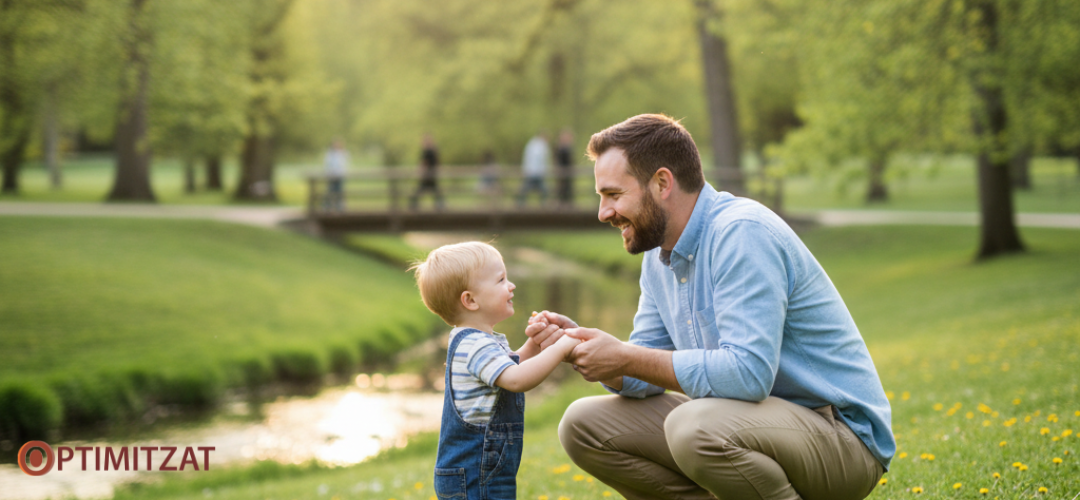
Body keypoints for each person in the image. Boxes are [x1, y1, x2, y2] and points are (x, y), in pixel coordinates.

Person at [525, 114, 894, 500]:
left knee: (692, 426)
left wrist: (625, 358)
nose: (603, 213)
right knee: (582, 425)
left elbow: (748, 374)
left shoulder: (741, 233)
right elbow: (644, 368)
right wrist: (582, 346)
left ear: (662, 183)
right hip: (745, 424)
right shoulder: (658, 257)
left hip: (841, 438)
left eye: (614, 195)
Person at [411, 242, 581, 500]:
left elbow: (509, 370)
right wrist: (561, 348)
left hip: (484, 468)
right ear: (470, 300)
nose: (511, 285)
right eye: (501, 280)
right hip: (474, 473)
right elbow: (516, 380)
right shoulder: (474, 345)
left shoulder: (482, 340)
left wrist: (534, 345)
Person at [409, 134, 444, 210]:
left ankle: (413, 205)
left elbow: (425, 163)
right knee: (435, 190)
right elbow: (437, 163)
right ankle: (440, 205)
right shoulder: (434, 151)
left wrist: (420, 171)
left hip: (427, 175)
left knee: (421, 190)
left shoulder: (427, 152)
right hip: (432, 175)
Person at [516, 131, 550, 207]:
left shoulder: (532, 144)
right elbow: (540, 161)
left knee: (528, 189)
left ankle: (521, 203)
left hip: (532, 172)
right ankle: (521, 203)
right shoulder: (540, 145)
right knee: (540, 189)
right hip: (534, 173)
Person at [323, 139, 349, 211]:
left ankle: (339, 207)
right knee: (330, 191)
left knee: (339, 191)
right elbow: (327, 165)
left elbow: (344, 165)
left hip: (340, 176)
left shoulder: (343, 153)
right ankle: (327, 207)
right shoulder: (330, 154)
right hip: (331, 176)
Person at [555, 129, 575, 207]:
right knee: (563, 189)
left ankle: (566, 204)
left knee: (566, 189)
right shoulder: (562, 148)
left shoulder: (562, 148)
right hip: (564, 172)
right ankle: (563, 204)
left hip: (566, 173)